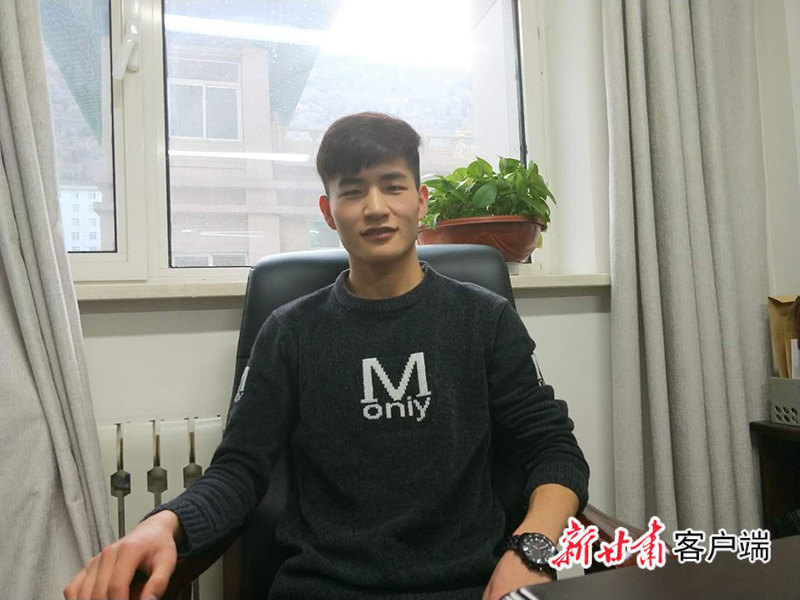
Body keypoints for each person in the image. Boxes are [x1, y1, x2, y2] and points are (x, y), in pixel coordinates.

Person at [64, 112, 589, 600]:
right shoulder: (290, 332)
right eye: (353, 191)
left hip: (468, 587)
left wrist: (532, 549)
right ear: (328, 211)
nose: (376, 207)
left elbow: (555, 451)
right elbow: (239, 470)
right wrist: (165, 523)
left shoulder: (483, 319)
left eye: (393, 186)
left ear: (421, 201)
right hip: (323, 588)